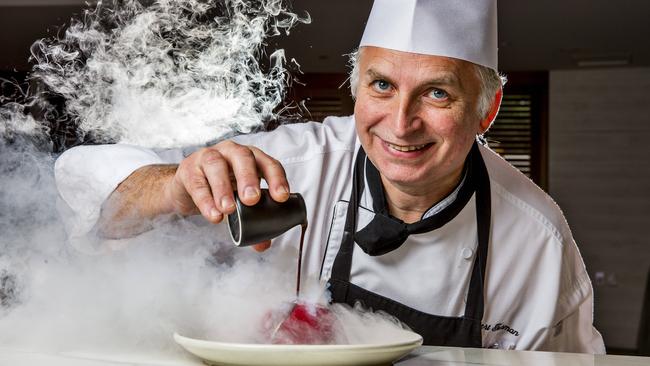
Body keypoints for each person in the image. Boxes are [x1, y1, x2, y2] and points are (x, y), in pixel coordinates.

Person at [54, 0, 605, 352]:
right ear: (356, 87)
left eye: (437, 92)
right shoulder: (293, 166)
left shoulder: (537, 240)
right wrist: (174, 187)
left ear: (486, 111)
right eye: (381, 85)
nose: (401, 122)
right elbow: (86, 190)